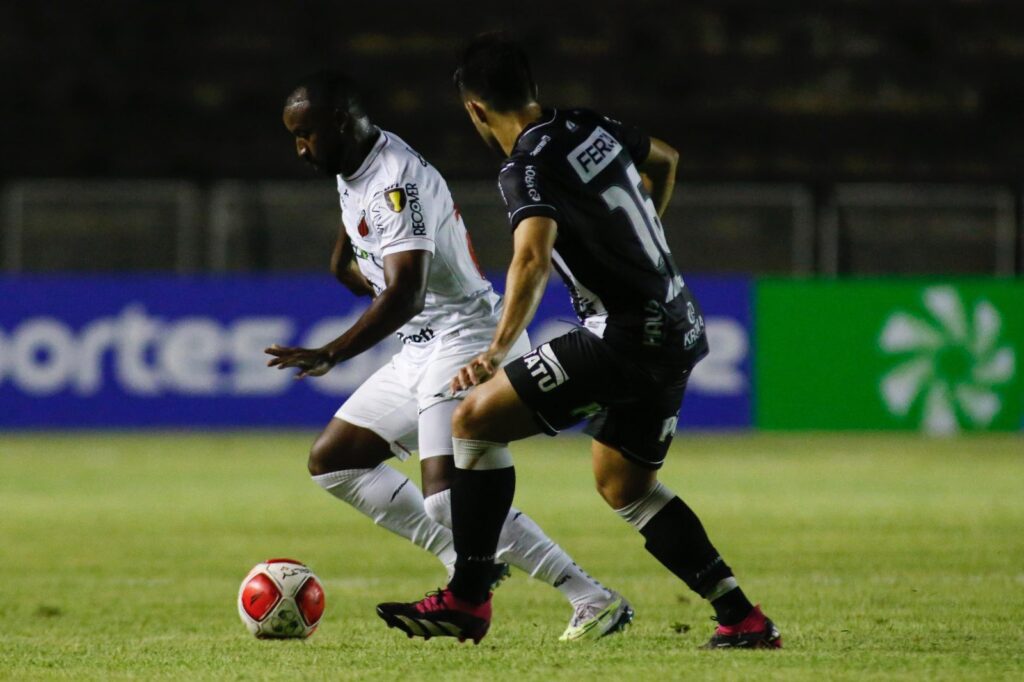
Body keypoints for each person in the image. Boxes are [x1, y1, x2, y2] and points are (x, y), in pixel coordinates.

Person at [376, 34, 781, 649]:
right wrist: (643, 240)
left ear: (475, 110)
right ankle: (741, 618)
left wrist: (493, 351)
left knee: (474, 421)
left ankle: (467, 597)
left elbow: (531, 259)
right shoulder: (587, 125)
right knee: (626, 486)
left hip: (624, 335)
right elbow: (666, 159)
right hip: (677, 322)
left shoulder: (525, 168)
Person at [267, 70, 633, 641]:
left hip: (464, 338)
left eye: (306, 134)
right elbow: (363, 229)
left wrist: (332, 352)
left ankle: (591, 598)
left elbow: (406, 291)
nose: (300, 147)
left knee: (447, 501)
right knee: (336, 462)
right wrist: (345, 262)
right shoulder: (355, 159)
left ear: (339, 123)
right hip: (422, 347)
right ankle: (467, 565)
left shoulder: (396, 181)